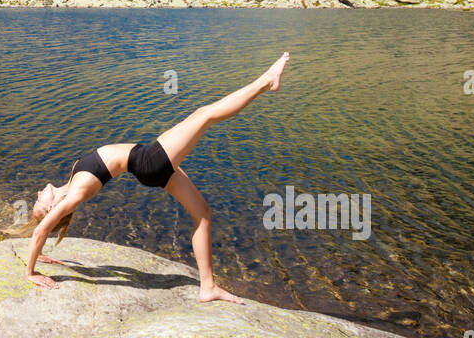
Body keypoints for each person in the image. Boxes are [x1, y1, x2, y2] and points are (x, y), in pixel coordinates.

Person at [18, 52, 290, 302]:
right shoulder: (75, 194)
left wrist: (39, 253)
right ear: (53, 208)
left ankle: (207, 287)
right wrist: (31, 272)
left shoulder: (73, 178)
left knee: (203, 214)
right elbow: (42, 229)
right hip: (150, 160)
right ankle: (266, 81)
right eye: (40, 203)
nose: (39, 194)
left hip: (148, 165)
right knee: (205, 114)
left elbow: (42, 231)